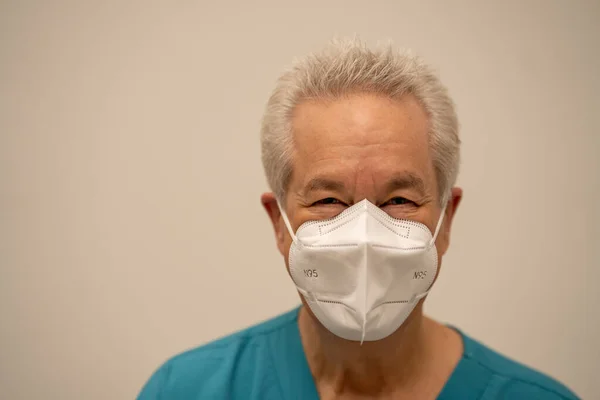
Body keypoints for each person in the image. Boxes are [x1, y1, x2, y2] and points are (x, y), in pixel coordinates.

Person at [137, 39, 578, 400]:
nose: (364, 232)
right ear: (278, 222)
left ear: (446, 221)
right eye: (329, 199)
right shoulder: (188, 390)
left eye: (399, 201)